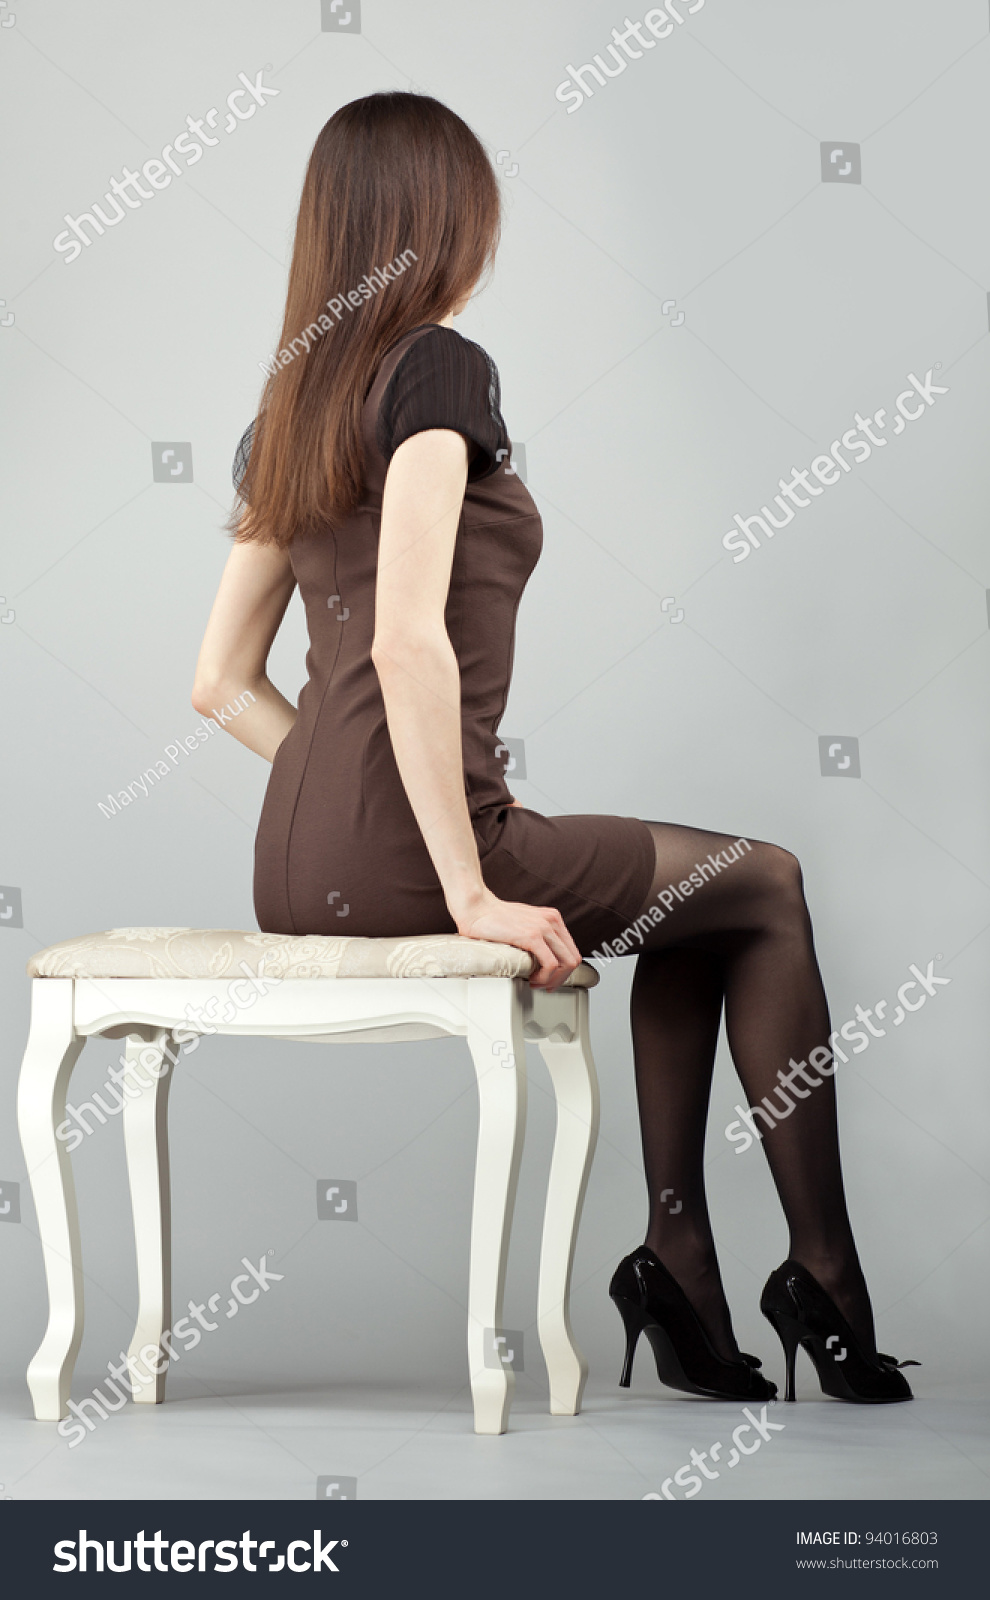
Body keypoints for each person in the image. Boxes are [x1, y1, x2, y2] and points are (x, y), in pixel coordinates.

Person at [193, 91, 916, 1405]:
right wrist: (465, 881)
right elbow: (409, 641)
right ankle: (814, 1271)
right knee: (764, 884)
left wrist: (347, 788)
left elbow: (216, 685)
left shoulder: (286, 410)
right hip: (421, 858)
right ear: (444, 218)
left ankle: (676, 1269)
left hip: (288, 872)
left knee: (694, 908)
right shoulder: (437, 367)